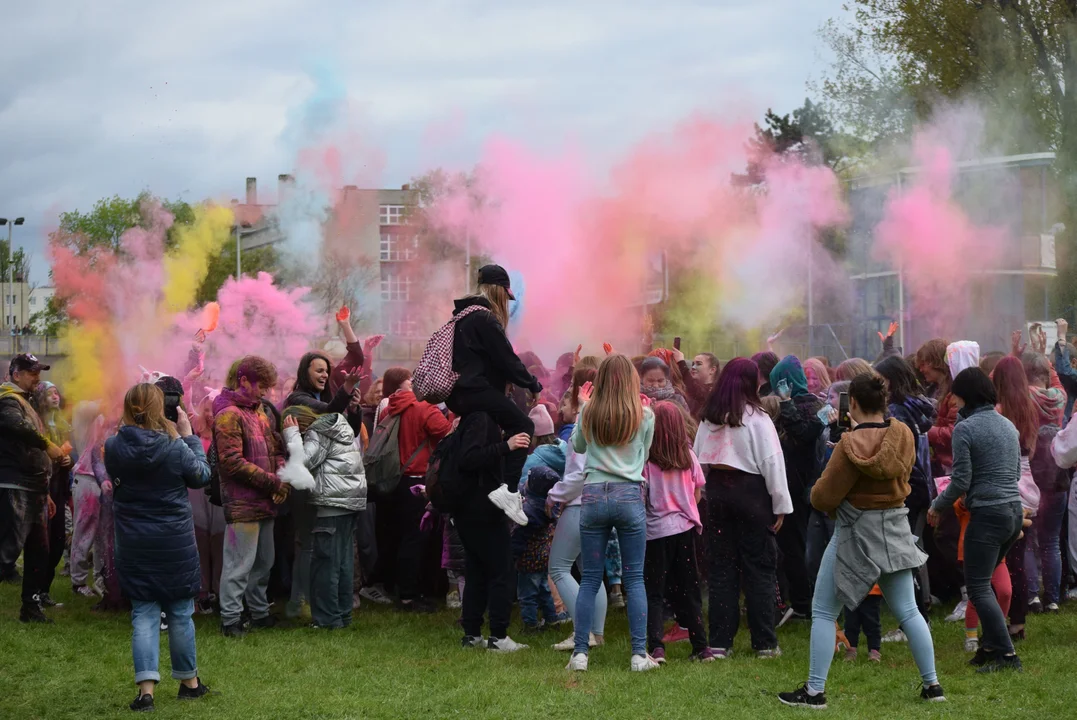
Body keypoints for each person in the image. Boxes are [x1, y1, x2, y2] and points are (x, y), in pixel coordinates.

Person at [780, 373, 943, 709]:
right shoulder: (903, 434)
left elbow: (823, 498)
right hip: (894, 530)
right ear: (883, 402)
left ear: (851, 403)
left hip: (853, 533)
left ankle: (814, 692)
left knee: (824, 612)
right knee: (909, 612)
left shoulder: (847, 446)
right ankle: (933, 686)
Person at [105, 384, 216, 711]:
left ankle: (146, 692)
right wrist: (188, 435)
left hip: (134, 540)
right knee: (181, 611)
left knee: (144, 612)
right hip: (173, 540)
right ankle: (189, 683)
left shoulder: (114, 446)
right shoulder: (174, 446)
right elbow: (201, 476)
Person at [929, 367, 1023, 673]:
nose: (952, 402)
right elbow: (1016, 474)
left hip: (988, 516)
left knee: (979, 587)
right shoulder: (1008, 426)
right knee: (987, 582)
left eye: (955, 396)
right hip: (1013, 513)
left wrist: (938, 506)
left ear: (966, 396)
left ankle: (1006, 656)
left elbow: (960, 480)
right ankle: (988, 647)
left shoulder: (965, 430)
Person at [694, 358, 790, 658]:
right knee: (759, 568)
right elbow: (772, 463)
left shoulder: (709, 418)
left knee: (721, 569)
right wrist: (781, 505)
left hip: (718, 493)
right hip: (751, 495)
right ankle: (764, 642)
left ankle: (720, 642)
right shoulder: (758, 419)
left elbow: (698, 462)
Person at [567, 354, 657, 673]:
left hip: (593, 494)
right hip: (628, 495)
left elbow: (577, 446)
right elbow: (643, 456)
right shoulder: (645, 414)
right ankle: (637, 655)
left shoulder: (589, 411)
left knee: (590, 578)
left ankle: (580, 654)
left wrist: (582, 405)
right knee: (634, 578)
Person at [445, 265, 540, 524]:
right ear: (498, 290)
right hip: (476, 391)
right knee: (523, 424)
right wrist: (532, 384)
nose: (506, 304)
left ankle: (489, 486)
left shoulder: (464, 316)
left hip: (461, 394)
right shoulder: (484, 318)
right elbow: (507, 358)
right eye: (505, 297)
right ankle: (507, 491)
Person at [214, 356, 290, 637]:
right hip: (243, 503)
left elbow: (276, 450)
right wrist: (273, 483)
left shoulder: (260, 413)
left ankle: (258, 613)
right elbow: (231, 462)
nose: (266, 392)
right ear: (243, 380)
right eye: (262, 386)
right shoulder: (228, 414)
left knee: (263, 563)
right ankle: (231, 619)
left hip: (265, 501)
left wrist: (282, 476)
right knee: (239, 564)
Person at [370, 367, 453, 612]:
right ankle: (409, 595)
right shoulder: (424, 409)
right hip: (417, 482)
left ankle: (394, 587)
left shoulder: (391, 406)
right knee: (414, 539)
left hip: (393, 479)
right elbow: (448, 434)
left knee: (396, 536)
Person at [0, 354, 70, 622]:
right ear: (16, 374)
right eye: (31, 372)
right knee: (6, 553)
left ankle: (30, 607)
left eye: (38, 371)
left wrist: (46, 493)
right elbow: (15, 426)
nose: (37, 376)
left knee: (38, 552)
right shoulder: (8, 399)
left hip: (35, 489)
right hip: (14, 485)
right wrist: (46, 445)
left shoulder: (26, 402)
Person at [454, 411, 531, 652]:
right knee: (502, 571)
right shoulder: (482, 419)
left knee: (476, 569)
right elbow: (469, 459)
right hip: (483, 506)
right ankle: (498, 637)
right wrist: (505, 446)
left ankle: (472, 634)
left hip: (467, 506)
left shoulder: (470, 418)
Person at [285, 405, 367, 629]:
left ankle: (327, 620)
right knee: (342, 564)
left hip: (330, 506)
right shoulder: (338, 427)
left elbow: (303, 463)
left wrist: (291, 435)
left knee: (325, 566)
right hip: (349, 505)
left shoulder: (317, 432)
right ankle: (342, 615)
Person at [642, 401, 712, 663]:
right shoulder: (688, 455)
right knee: (690, 589)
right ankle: (701, 647)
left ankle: (656, 647)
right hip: (685, 530)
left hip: (656, 532)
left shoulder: (646, 459)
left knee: (655, 591)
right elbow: (697, 491)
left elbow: (643, 495)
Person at [769, 355, 825, 623]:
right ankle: (808, 600)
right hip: (808, 487)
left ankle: (803, 603)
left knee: (796, 547)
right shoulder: (818, 405)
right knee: (805, 545)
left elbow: (803, 435)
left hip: (797, 488)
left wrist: (786, 404)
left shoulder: (804, 407)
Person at [991, 356, 1040, 642]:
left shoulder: (998, 412)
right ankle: (1018, 623)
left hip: (1007, 486)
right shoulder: (1029, 408)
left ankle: (998, 619)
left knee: (1000, 561)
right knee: (1020, 559)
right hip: (1029, 484)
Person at [1023, 351, 1068, 613]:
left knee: (1028, 538)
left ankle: (1032, 597)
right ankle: (1052, 598)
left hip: (1032, 474)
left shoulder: (1024, 398)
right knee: (1051, 539)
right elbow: (1059, 382)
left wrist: (1015, 354)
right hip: (1057, 474)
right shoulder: (1060, 397)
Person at [512, 465, 568, 632]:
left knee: (527, 594)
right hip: (544, 557)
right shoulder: (547, 506)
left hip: (529, 560)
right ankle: (552, 619)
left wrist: (512, 555)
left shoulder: (529, 511)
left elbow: (519, 538)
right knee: (544, 590)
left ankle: (530, 624)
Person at [31, 380, 72, 609]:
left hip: (59, 490)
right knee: (40, 543)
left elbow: (70, 454)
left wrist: (68, 460)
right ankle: (34, 592)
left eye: (57, 392)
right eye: (49, 394)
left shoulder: (63, 424)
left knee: (57, 541)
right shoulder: (36, 425)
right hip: (40, 490)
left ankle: (44, 590)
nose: (55, 397)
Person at [190, 395, 225, 614]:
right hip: (196, 493)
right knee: (200, 539)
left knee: (220, 541)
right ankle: (202, 591)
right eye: (206, 410)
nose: (210, 415)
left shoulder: (226, 436)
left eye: (214, 410)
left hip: (219, 492)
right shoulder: (194, 437)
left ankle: (219, 590)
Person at [674, 350, 719, 418]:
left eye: (699, 364)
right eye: (693, 364)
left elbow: (696, 391)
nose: (693, 367)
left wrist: (681, 363)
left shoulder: (717, 390)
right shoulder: (693, 388)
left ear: (712, 370)